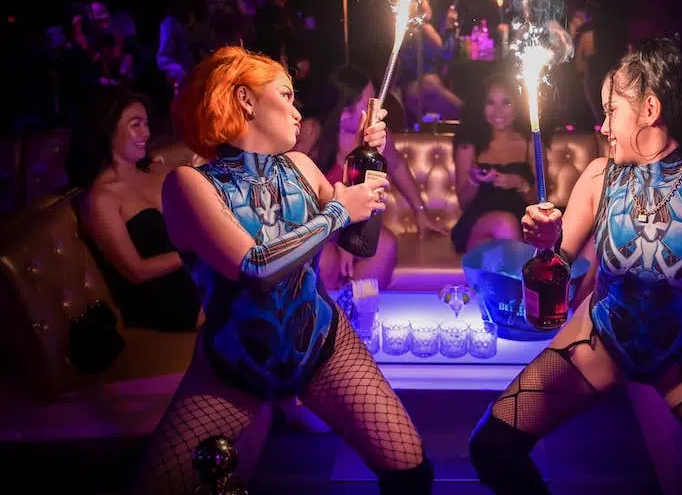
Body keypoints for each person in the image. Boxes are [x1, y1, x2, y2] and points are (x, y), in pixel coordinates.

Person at [130, 47, 433, 494]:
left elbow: (357, 243)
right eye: (286, 96)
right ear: (246, 100)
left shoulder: (300, 166)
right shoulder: (189, 183)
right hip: (235, 365)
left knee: (411, 473)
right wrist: (335, 211)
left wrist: (369, 164)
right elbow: (254, 267)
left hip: (324, 349)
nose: (297, 110)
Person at [468, 38, 682, 493]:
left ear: (649, 109)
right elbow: (555, 266)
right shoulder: (599, 178)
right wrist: (544, 245)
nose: (602, 127)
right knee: (491, 447)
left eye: (611, 112)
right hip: (598, 344)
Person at [295, 65, 448, 289]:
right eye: (367, 104)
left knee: (385, 244)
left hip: (359, 224)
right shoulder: (312, 131)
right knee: (325, 258)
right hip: (318, 222)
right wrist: (340, 234)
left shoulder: (376, 135)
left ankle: (357, 316)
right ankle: (328, 319)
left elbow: (397, 167)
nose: (375, 110)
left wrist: (420, 211)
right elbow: (295, 191)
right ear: (343, 110)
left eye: (374, 101)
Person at [67, 86, 201, 332]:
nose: (147, 133)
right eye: (136, 124)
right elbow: (135, 271)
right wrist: (193, 252)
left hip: (199, 277)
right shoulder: (101, 199)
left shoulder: (156, 171)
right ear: (108, 130)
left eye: (146, 124)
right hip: (167, 298)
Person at [451, 73, 537, 253]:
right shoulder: (470, 143)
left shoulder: (531, 142)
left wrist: (520, 184)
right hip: (479, 220)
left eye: (506, 103)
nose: (498, 112)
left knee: (505, 239)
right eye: (490, 103)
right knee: (505, 225)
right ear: (481, 106)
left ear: (518, 105)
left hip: (522, 223)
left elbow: (541, 202)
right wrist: (475, 181)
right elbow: (464, 203)